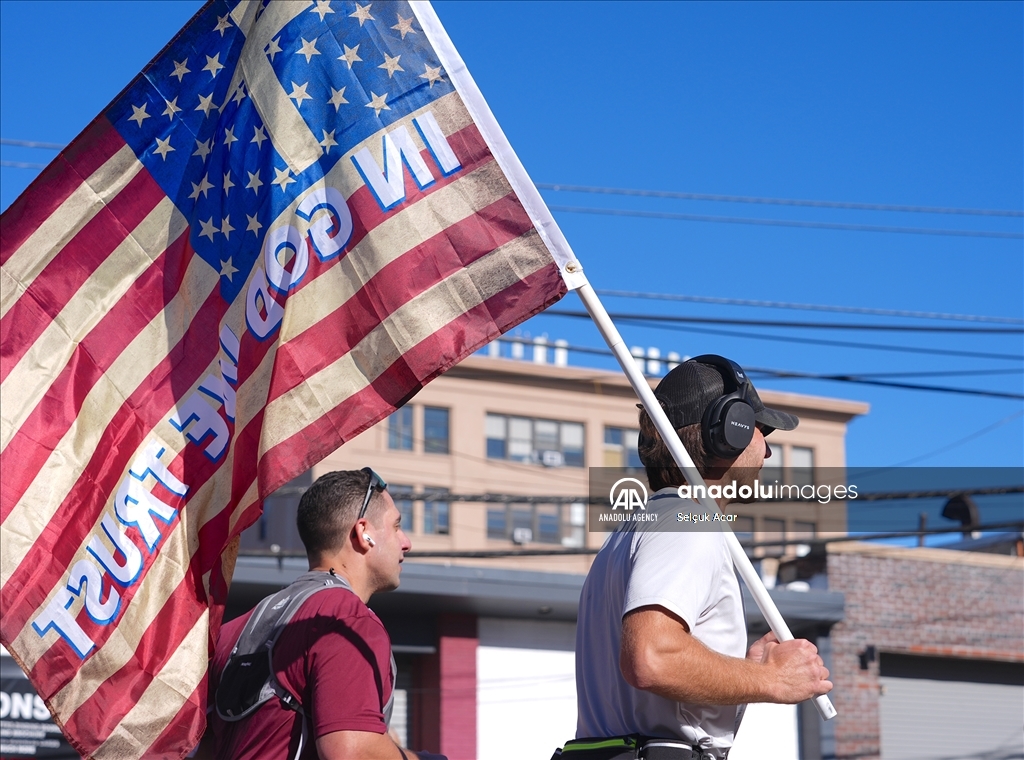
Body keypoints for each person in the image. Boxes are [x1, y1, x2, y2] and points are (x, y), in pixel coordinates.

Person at [568, 355, 833, 760]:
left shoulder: (634, 530)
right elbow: (652, 658)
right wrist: (770, 678)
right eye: (761, 431)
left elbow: (652, 679)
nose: (768, 455)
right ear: (730, 430)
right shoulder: (688, 522)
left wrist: (736, 667)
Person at [203, 468, 446, 760]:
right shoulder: (344, 620)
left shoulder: (234, 630)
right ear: (363, 532)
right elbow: (352, 752)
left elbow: (202, 749)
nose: (406, 541)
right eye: (396, 526)